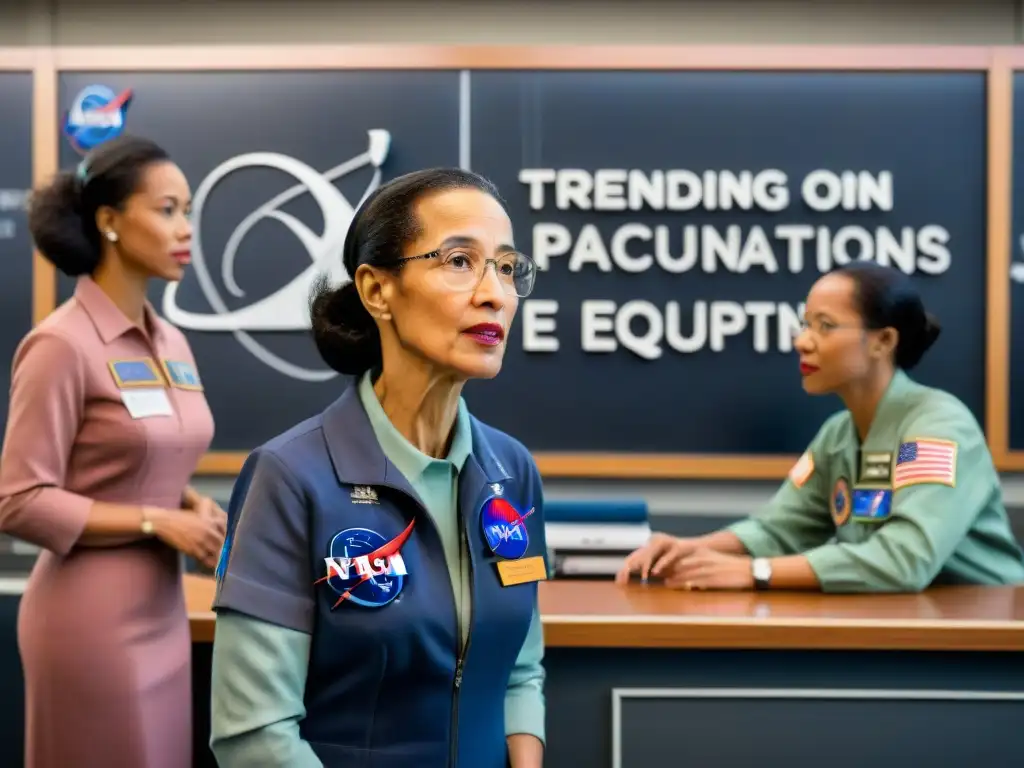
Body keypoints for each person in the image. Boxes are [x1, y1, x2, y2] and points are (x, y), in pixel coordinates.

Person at [209, 168, 548, 768]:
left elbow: (520, 673)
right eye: (460, 261)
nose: (495, 292)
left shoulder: (512, 472)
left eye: (506, 266)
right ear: (376, 290)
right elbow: (254, 735)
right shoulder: (290, 477)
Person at [0, 135, 227, 768]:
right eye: (166, 210)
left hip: (162, 613)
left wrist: (187, 504)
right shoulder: (60, 345)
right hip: (88, 621)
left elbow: (137, 465)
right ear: (110, 222)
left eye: (189, 211)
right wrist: (159, 521)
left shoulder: (173, 342)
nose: (185, 229)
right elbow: (18, 500)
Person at [617, 262, 1024, 594]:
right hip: (905, 625)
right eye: (804, 324)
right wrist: (691, 549)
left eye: (824, 326)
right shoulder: (838, 433)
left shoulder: (937, 426)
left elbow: (904, 559)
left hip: (988, 641)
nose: (801, 341)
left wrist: (756, 573)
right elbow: (779, 529)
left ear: (883, 341)